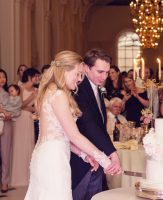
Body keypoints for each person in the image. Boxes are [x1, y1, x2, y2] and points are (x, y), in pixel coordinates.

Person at [24, 50, 118, 200]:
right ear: (65, 71)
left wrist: (83, 155)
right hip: (54, 159)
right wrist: (105, 161)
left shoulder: (51, 91)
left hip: (48, 155)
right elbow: (74, 135)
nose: (80, 79)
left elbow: (60, 135)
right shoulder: (58, 95)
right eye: (77, 74)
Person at [70, 49, 121, 200]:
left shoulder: (96, 89)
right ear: (86, 68)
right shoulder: (79, 89)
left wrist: (107, 151)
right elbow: (89, 124)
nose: (104, 77)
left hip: (96, 157)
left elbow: (100, 125)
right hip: (81, 159)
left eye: (107, 72)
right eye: (100, 72)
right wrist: (112, 153)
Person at [11, 68, 40, 186]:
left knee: (29, 145)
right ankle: (17, 178)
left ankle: (28, 178)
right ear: (29, 77)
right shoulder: (21, 88)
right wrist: (31, 98)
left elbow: (37, 108)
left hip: (29, 119)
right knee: (18, 146)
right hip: (19, 119)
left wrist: (29, 107)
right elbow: (18, 105)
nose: (38, 78)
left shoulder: (37, 90)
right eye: (36, 76)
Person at [0, 69, 15, 193]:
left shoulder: (9, 92)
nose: (2, 79)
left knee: (6, 154)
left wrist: (9, 113)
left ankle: (5, 184)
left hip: (8, 124)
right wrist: (3, 111)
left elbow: (16, 108)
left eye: (3, 76)